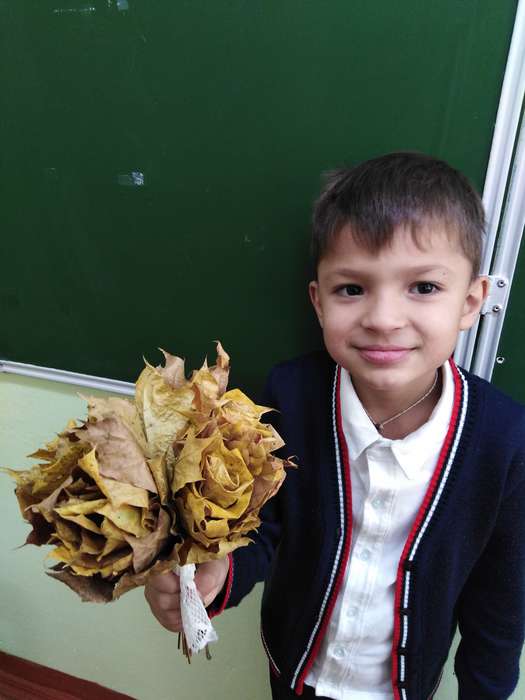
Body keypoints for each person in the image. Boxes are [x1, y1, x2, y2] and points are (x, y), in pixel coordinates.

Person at [144, 152, 525, 700]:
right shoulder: (290, 396)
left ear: (470, 303)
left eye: (423, 287)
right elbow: (264, 526)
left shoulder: (503, 441)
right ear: (318, 303)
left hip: (402, 687)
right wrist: (217, 576)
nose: (384, 318)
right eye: (352, 289)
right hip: (295, 669)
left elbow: (498, 608)